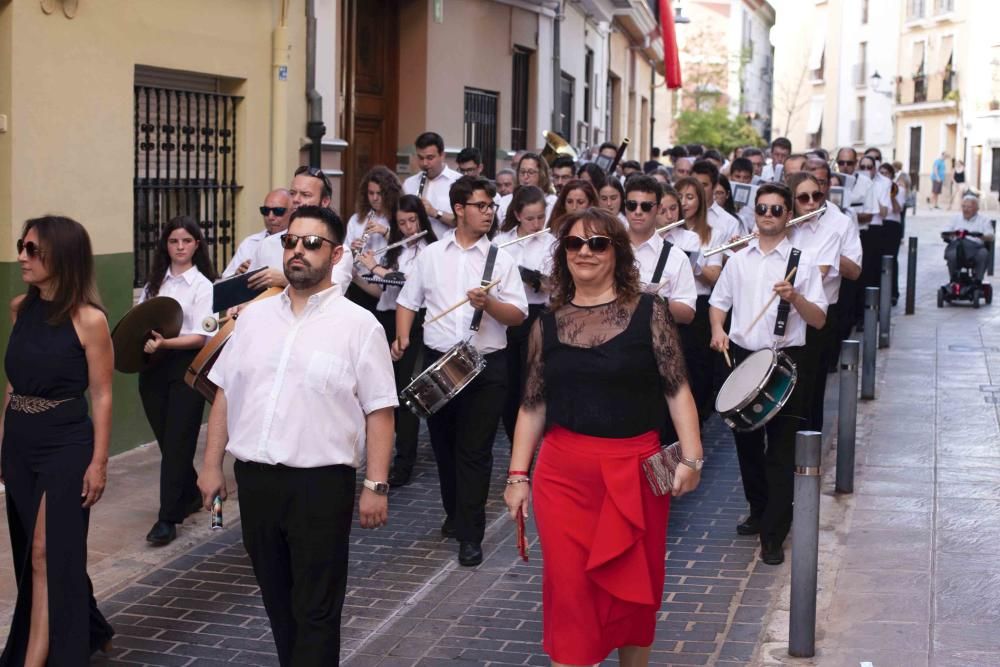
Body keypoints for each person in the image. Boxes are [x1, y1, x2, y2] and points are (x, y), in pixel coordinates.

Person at [197, 205, 396, 667]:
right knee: (278, 602)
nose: (298, 252)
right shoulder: (254, 318)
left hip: (320, 485)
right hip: (257, 481)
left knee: (317, 609)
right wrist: (211, 466)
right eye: (291, 242)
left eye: (311, 243)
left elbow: (381, 411)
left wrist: (376, 485)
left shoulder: (358, 325)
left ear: (336, 253)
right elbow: (226, 391)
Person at [503, 207, 703, 666]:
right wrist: (518, 475)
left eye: (597, 243)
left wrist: (691, 457)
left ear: (617, 252)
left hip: (637, 469)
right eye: (574, 243)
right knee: (570, 593)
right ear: (563, 255)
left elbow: (677, 388)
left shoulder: (651, 311)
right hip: (563, 476)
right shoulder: (545, 324)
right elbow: (532, 406)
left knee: (637, 591)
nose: (585, 252)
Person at [393, 176, 528, 566]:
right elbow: (408, 300)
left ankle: (471, 534)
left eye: (491, 207)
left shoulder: (500, 259)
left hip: (486, 366)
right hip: (441, 364)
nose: (488, 212)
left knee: (475, 452)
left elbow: (517, 315)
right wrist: (402, 336)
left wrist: (489, 305)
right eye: (481, 205)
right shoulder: (431, 256)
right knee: (444, 448)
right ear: (459, 209)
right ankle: (455, 514)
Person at [1, 217, 115, 665]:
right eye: (22, 247)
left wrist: (100, 461)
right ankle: (91, 625)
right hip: (21, 441)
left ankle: (37, 657)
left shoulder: (89, 320)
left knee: (47, 551)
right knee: (40, 548)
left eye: (33, 250)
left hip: (67, 443)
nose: (22, 257)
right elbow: (13, 382)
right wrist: (2, 438)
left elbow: (102, 394)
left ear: (62, 257)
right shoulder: (19, 308)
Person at [709, 183, 828, 565]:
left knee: (780, 449)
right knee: (746, 444)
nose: (768, 214)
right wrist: (717, 330)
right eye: (763, 208)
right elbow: (718, 303)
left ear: (788, 215)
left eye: (777, 209)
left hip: (786, 359)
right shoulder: (739, 260)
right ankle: (759, 509)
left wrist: (796, 298)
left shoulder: (802, 261)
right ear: (754, 212)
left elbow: (820, 319)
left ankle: (774, 533)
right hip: (745, 355)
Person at [138, 215, 217, 547]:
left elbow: (202, 336)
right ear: (166, 246)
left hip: (186, 367)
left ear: (196, 245)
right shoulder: (154, 284)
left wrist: (166, 343)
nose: (180, 247)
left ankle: (167, 518)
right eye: (174, 241)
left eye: (186, 241)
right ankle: (188, 493)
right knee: (167, 440)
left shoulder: (203, 286)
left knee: (178, 441)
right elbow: (139, 321)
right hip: (153, 367)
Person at [356, 195, 438, 488]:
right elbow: (383, 291)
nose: (406, 228)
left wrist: (376, 269)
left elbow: (405, 284)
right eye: (401, 222)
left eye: (412, 221)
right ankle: (382, 456)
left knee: (406, 395)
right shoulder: (398, 250)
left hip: (412, 324)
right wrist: (360, 269)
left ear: (422, 220)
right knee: (382, 392)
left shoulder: (428, 251)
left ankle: (404, 463)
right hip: (386, 320)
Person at [787, 171, 858, 431]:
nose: (811, 203)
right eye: (803, 198)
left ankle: (806, 454)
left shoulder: (833, 229)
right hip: (781, 318)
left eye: (816, 196)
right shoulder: (780, 228)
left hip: (817, 316)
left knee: (810, 389)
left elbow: (824, 274)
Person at [494, 186, 552, 443]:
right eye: (530, 218)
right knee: (509, 385)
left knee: (532, 383)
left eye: (541, 217)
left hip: (539, 314)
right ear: (517, 214)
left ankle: (531, 445)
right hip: (507, 315)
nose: (537, 223)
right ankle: (514, 439)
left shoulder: (551, 243)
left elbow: (556, 285)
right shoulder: (500, 242)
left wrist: (534, 279)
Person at [251, 166, 354, 295]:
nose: (295, 200)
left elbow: (330, 295)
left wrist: (284, 281)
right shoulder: (267, 244)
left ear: (325, 202)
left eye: (305, 195)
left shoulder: (339, 252)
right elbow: (249, 290)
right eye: (292, 193)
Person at [803, 158, 863, 376]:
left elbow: (855, 271)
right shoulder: (784, 217)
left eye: (820, 183)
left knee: (815, 383)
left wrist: (828, 250)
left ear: (828, 185)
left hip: (823, 308)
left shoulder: (840, 221)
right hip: (785, 313)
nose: (813, 190)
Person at [674, 176, 727, 421]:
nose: (685, 203)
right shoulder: (669, 232)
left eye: (690, 197)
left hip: (700, 304)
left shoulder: (712, 234)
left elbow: (715, 276)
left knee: (699, 368)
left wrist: (692, 264)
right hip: (673, 304)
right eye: (680, 197)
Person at [624, 175, 697, 326]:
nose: (638, 211)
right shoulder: (606, 248)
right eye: (632, 205)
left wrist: (654, 300)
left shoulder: (676, 257)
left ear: (657, 209)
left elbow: (688, 313)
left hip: (653, 342)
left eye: (645, 206)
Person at [344, 165, 401, 310]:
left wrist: (386, 232)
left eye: (380, 193)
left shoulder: (399, 218)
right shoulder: (357, 220)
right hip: (361, 285)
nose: (375, 198)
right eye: (370, 193)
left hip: (389, 288)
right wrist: (351, 250)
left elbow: (407, 247)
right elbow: (344, 255)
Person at [402, 132, 461, 239]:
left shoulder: (458, 181)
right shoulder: (409, 183)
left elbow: (466, 222)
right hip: (416, 248)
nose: (424, 163)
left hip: (446, 250)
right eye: (420, 158)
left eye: (430, 158)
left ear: (442, 156)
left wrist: (434, 212)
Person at [222, 189, 292, 278]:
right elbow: (225, 280)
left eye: (278, 211)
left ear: (292, 211)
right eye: (265, 211)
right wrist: (237, 274)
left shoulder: (298, 242)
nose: (270, 217)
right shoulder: (250, 243)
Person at [945, 195, 994, 282]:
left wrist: (980, 236)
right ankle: (953, 279)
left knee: (983, 254)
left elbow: (990, 236)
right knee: (951, 255)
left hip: (976, 247)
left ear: (976, 208)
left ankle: (978, 280)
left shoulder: (984, 220)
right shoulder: (955, 218)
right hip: (957, 246)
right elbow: (946, 231)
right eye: (964, 206)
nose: (965, 209)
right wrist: (949, 234)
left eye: (969, 207)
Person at [498, 152, 557, 222]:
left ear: (542, 174)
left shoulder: (553, 201)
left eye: (531, 172)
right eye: (522, 172)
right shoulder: (505, 201)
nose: (525, 177)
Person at [692, 160, 741, 242]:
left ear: (714, 187)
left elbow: (731, 253)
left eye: (704, 185)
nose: (698, 189)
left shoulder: (729, 222)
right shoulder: (679, 214)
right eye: (695, 184)